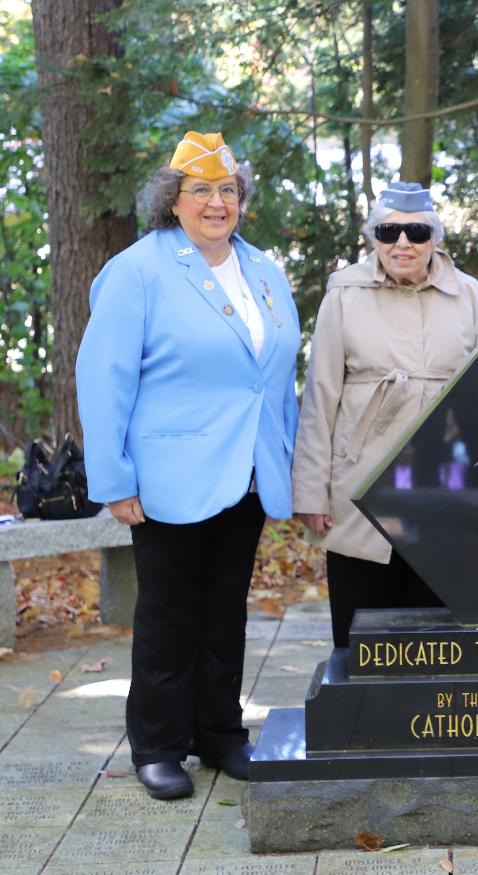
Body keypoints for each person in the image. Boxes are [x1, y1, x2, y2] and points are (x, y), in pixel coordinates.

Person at [76, 132, 301, 800]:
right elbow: (104, 376)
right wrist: (114, 479)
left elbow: (276, 379)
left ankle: (220, 731)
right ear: (171, 201)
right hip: (167, 474)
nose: (216, 202)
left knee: (225, 608)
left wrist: (288, 463)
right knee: (170, 611)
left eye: (227, 190)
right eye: (199, 190)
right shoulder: (140, 270)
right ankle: (158, 742)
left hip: (251, 471)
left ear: (242, 200)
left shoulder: (264, 270)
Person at [291, 181, 478, 648]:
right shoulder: (343, 295)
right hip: (361, 483)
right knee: (361, 633)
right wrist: (311, 491)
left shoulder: (470, 298)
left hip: (447, 488)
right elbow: (320, 396)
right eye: (389, 231)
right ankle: (361, 722)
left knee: (439, 634)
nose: (403, 243)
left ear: (435, 238)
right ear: (373, 237)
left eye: (417, 232)